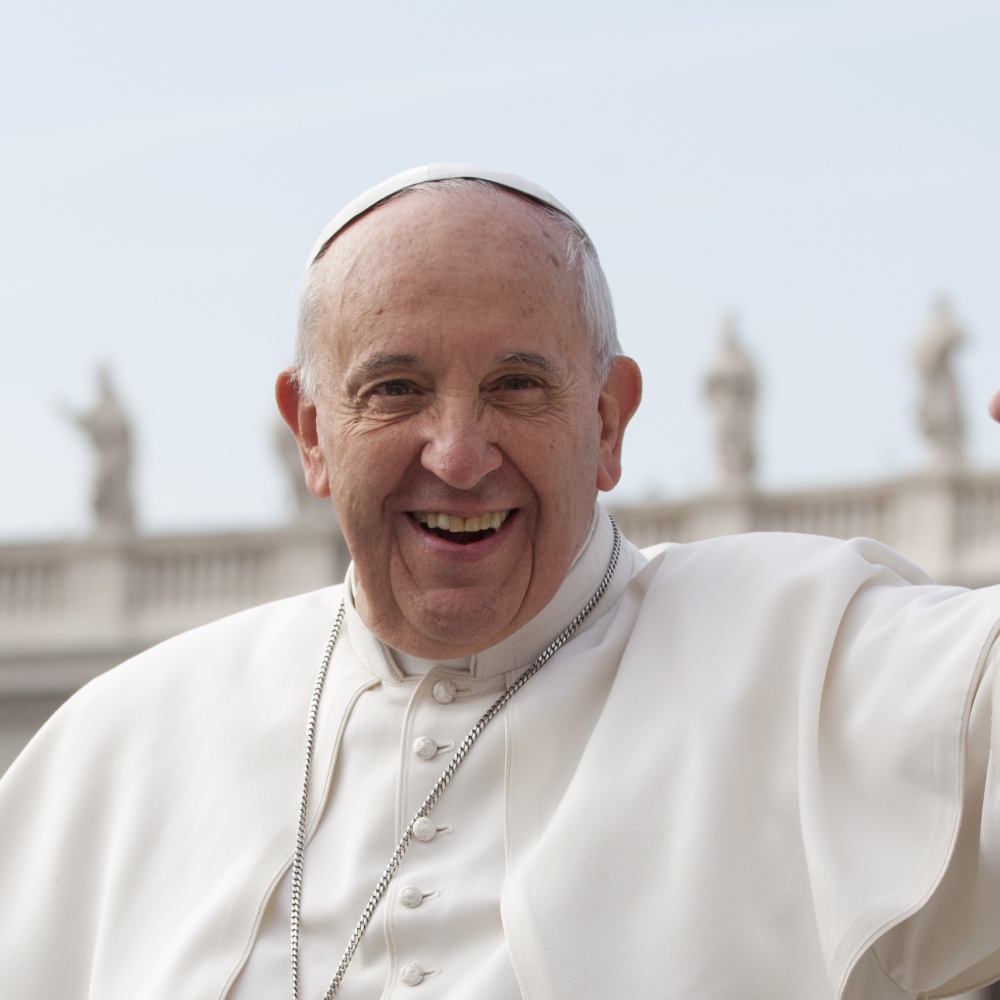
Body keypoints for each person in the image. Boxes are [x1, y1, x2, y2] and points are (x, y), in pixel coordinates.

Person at [1, 164, 999, 1000]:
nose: (458, 452)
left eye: (518, 385)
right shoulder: (115, 745)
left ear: (608, 422)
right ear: (310, 433)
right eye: (394, 388)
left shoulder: (805, 654)